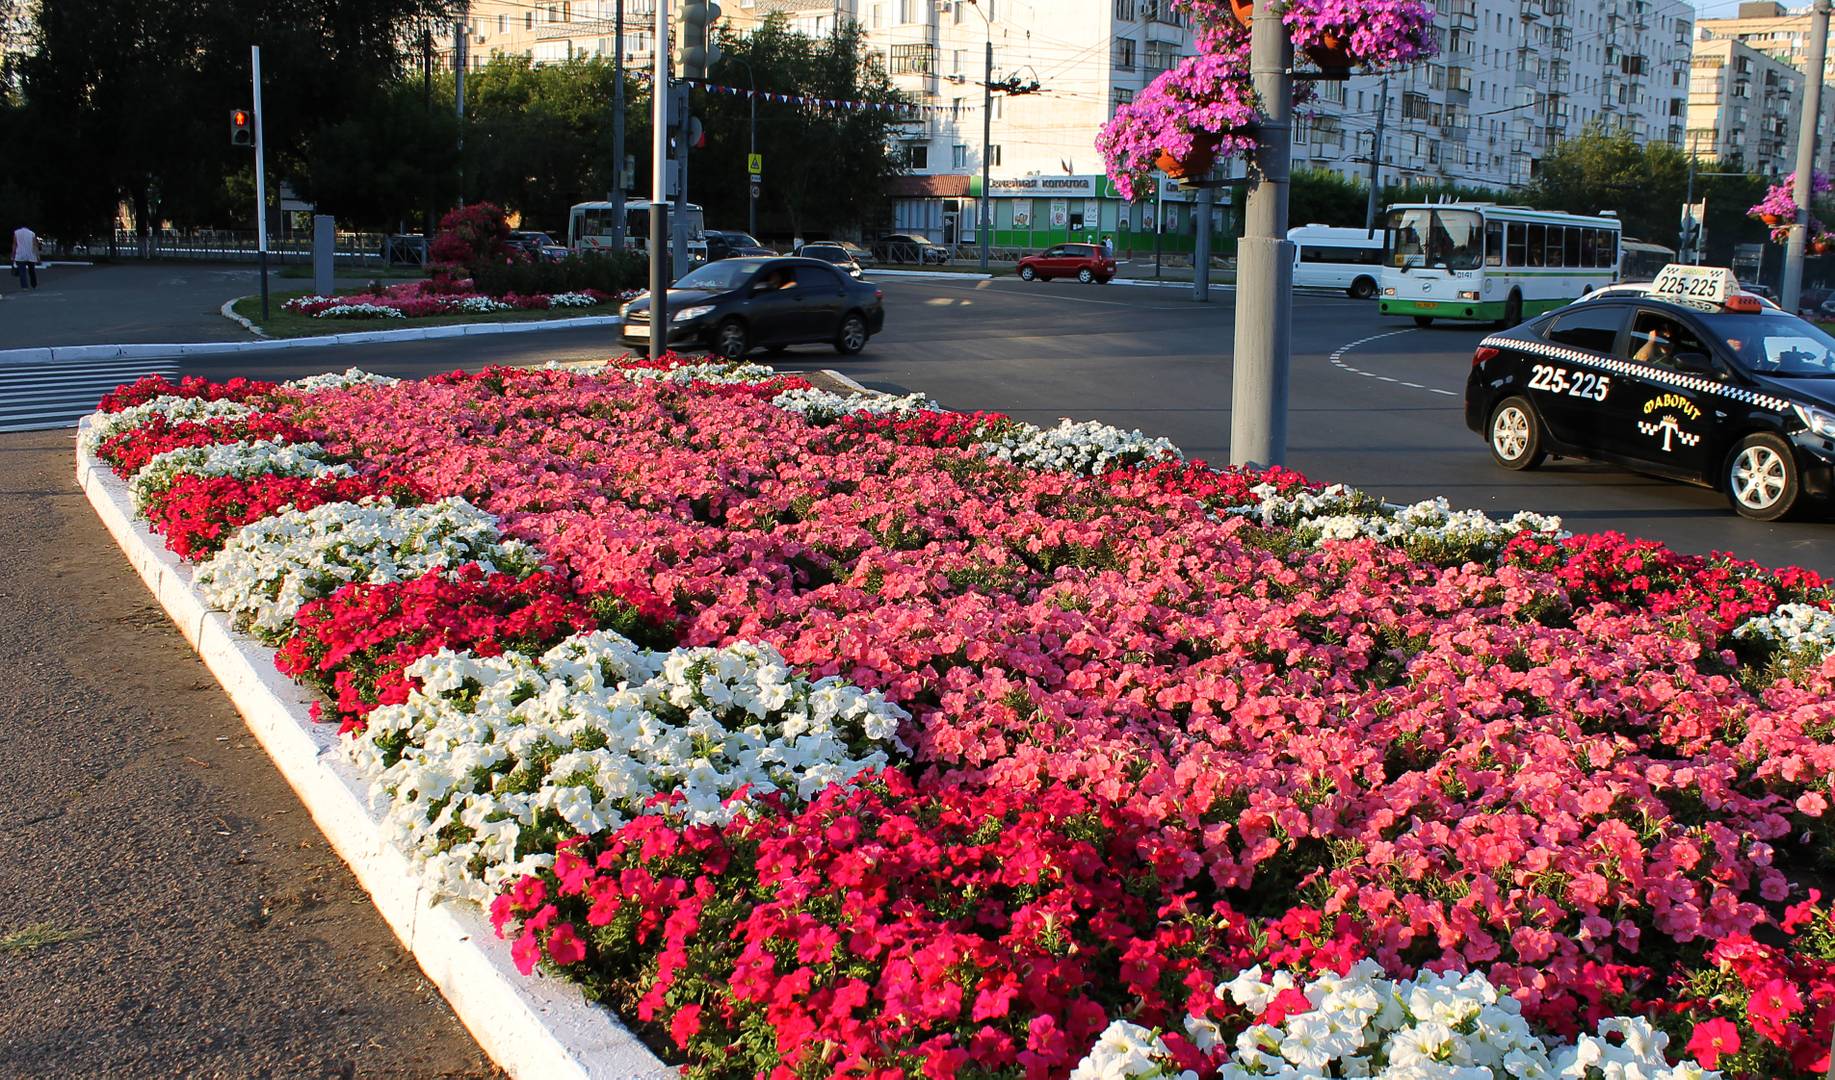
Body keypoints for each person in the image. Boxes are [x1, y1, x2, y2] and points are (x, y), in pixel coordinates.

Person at [12, 223, 40, 289]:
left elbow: (14, 244)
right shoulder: (32, 233)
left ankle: (24, 287)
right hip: (30, 255)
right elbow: (35, 245)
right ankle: (34, 285)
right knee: (32, 271)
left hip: (20, 255)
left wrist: (13, 254)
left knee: (22, 272)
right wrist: (37, 256)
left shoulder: (16, 232)